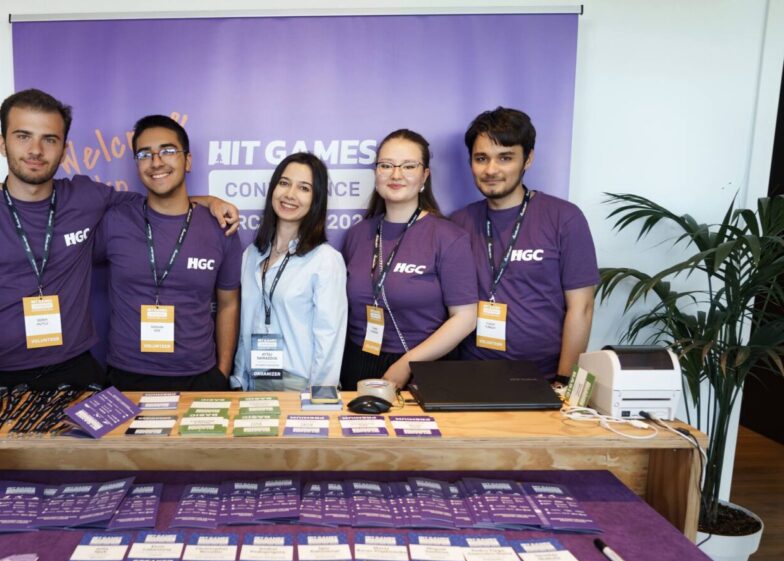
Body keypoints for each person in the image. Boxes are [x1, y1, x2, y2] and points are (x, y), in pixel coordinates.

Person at [0, 90, 237, 415]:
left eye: (49, 139)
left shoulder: (86, 197)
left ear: (64, 150)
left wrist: (209, 202)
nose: (35, 150)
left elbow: (162, 201)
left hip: (74, 370)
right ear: (2, 143)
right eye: (23, 136)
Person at [450, 107, 599, 384]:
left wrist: (564, 380)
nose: (491, 170)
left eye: (505, 158)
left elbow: (582, 307)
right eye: (481, 159)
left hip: (543, 379)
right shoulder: (458, 223)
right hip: (470, 377)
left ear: (528, 159)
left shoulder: (564, 218)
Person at [97, 115, 242, 391]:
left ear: (187, 161)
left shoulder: (220, 227)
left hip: (199, 375)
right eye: (145, 154)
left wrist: (222, 372)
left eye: (167, 151)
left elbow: (228, 304)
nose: (156, 162)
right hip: (127, 374)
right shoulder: (115, 221)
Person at [340, 129, 477, 390]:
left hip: (423, 368)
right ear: (376, 172)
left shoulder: (448, 237)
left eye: (408, 166)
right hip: (357, 363)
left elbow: (466, 318)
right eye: (386, 165)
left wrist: (407, 364)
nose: (396, 174)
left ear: (425, 175)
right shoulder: (358, 234)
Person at [232, 153, 347, 391]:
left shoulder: (325, 260)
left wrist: (320, 398)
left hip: (298, 387)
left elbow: (329, 337)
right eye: (284, 183)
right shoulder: (252, 254)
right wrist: (238, 379)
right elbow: (246, 325)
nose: (290, 194)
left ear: (316, 199)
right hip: (253, 381)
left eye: (304, 188)